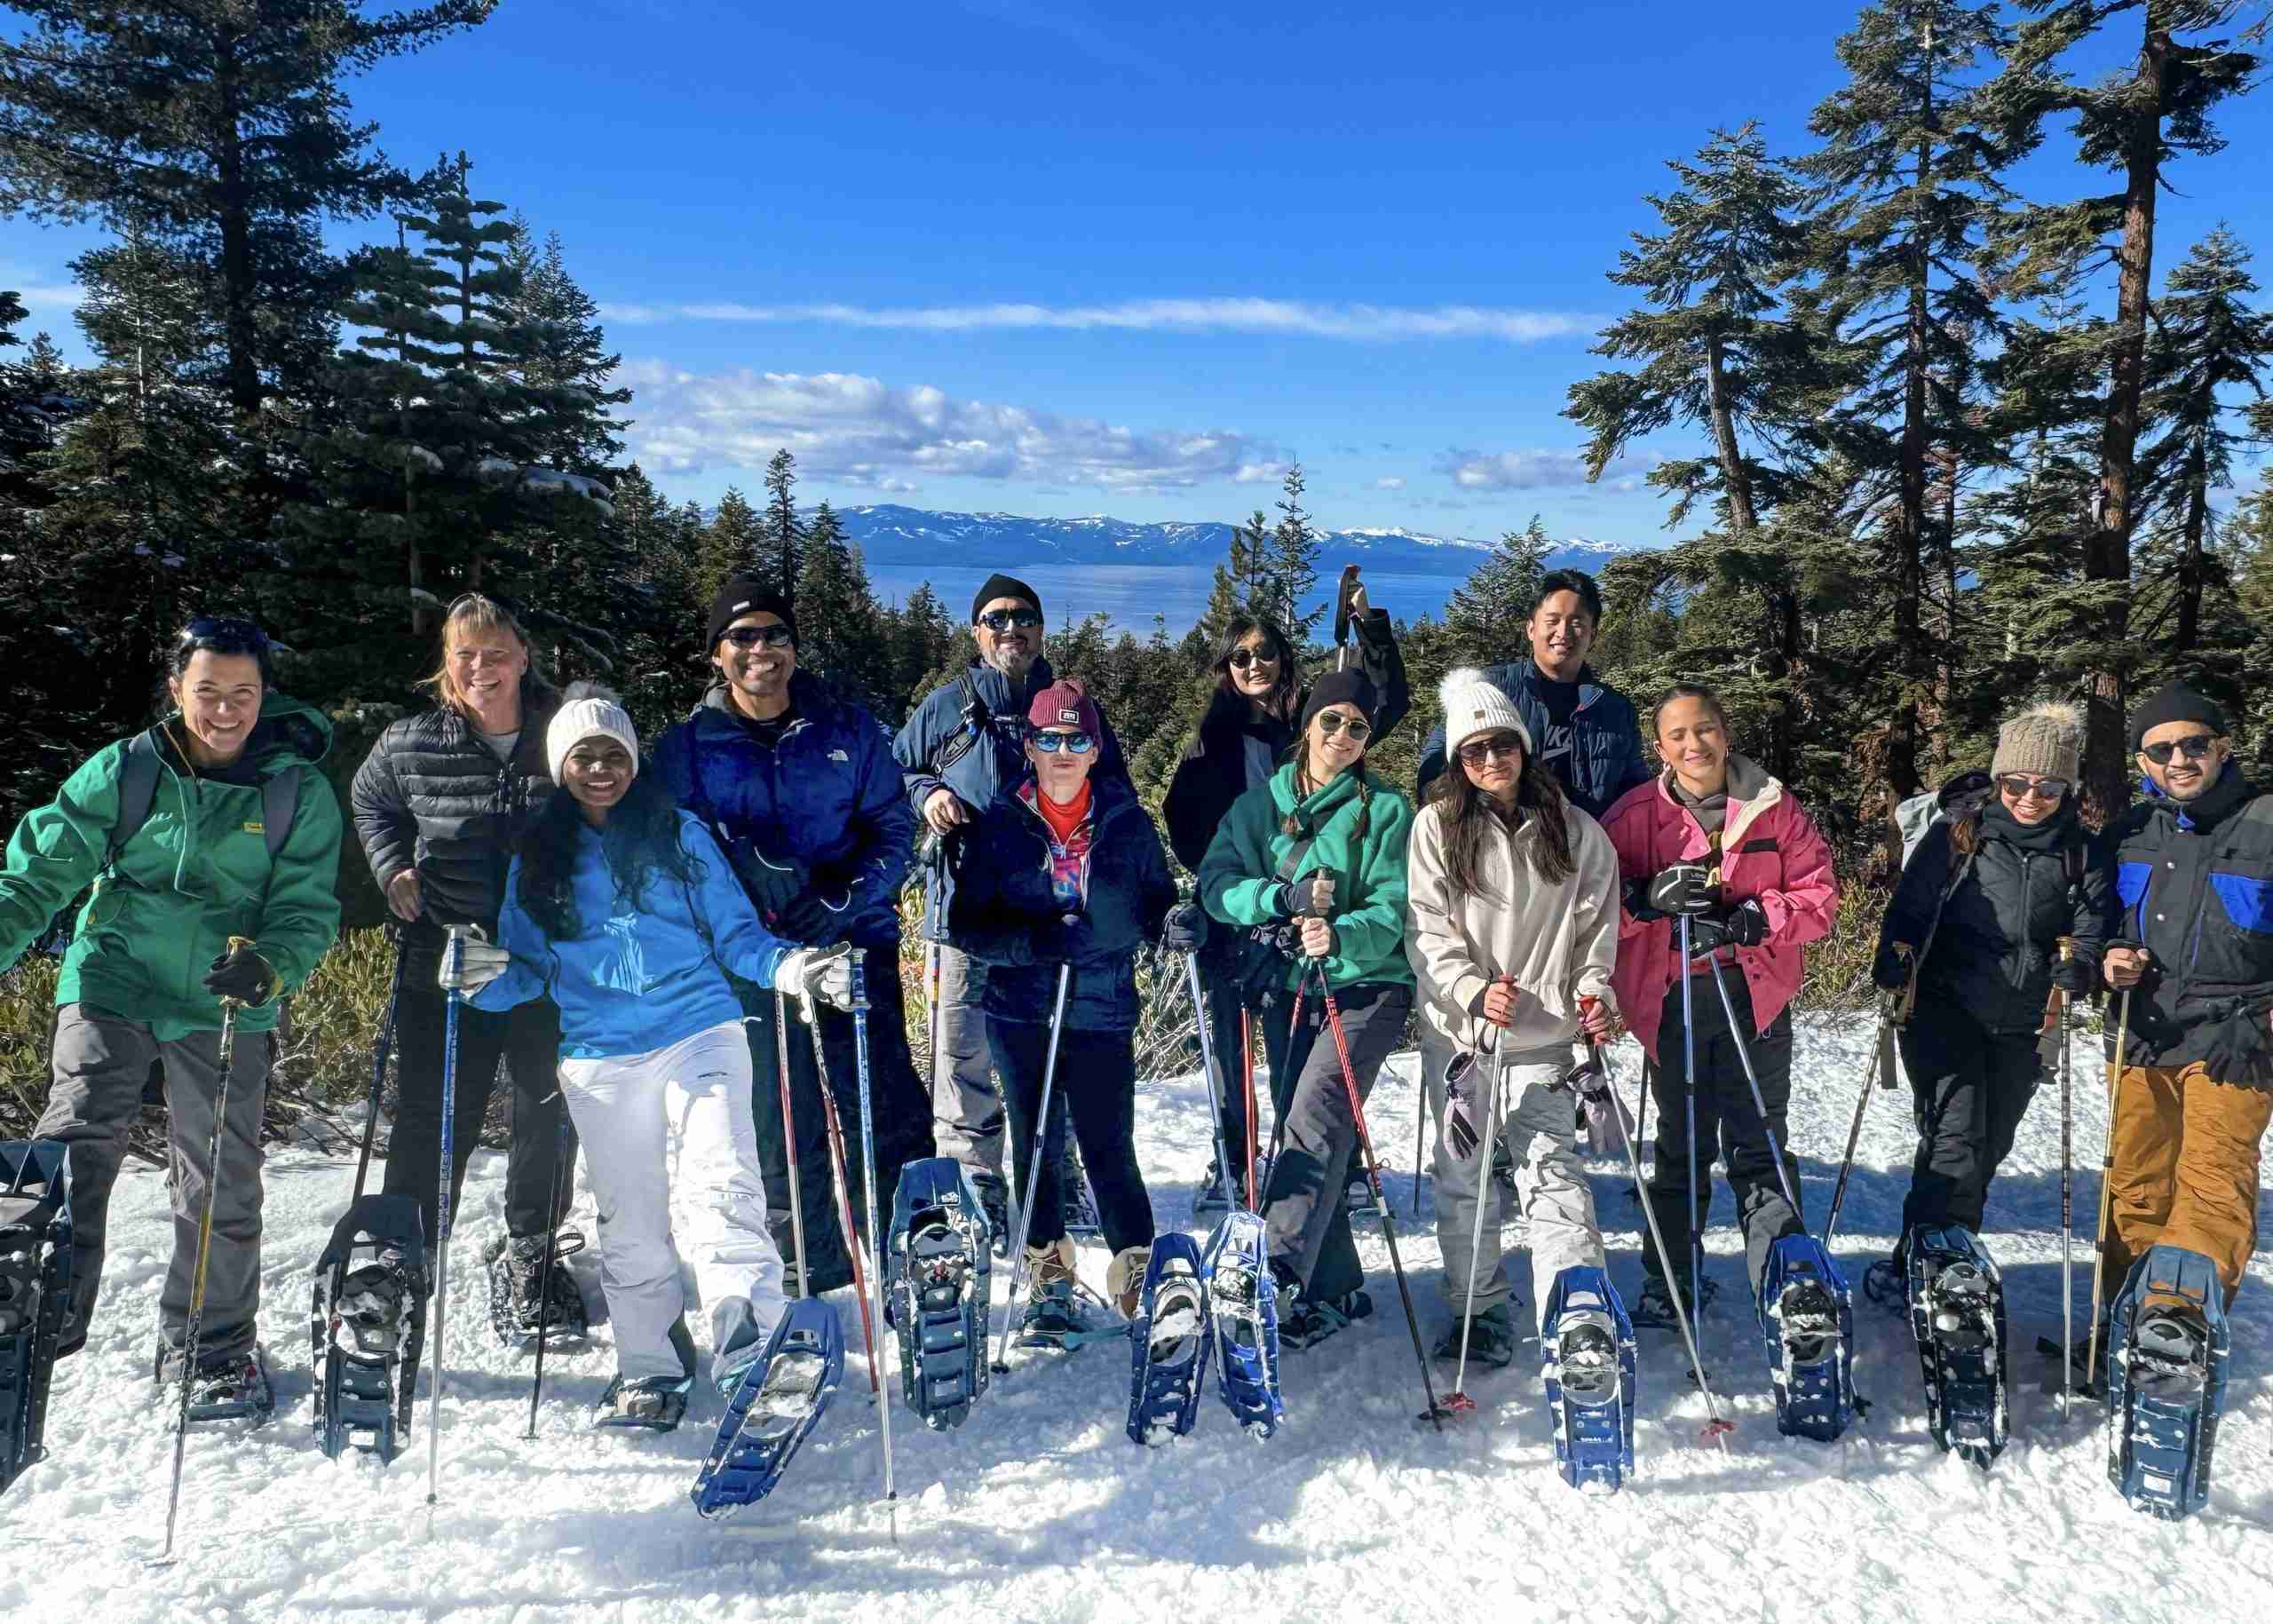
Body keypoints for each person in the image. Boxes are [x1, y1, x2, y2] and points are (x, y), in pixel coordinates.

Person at [444, 685, 856, 1430]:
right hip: (600, 1052)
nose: (599, 768)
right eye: (582, 756)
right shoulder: (538, 857)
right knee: (629, 1219)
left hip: (700, 1030)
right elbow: (529, 971)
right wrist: (480, 979)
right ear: (560, 766)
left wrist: (795, 968)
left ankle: (752, 1344)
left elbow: (737, 937)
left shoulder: (679, 832)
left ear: (632, 761)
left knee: (723, 1184)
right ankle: (650, 1366)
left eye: (613, 753)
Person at [0, 616, 342, 1414]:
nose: (226, 709)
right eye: (208, 691)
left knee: (220, 1170)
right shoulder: (129, 769)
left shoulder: (297, 790)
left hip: (227, 994)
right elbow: (37, 869)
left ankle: (211, 1343)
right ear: (176, 688)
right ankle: (40, 1314)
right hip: (114, 976)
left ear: (265, 695)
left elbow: (305, 907)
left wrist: (270, 965)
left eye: (243, 693)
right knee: (76, 1135)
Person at [655, 577, 932, 1296]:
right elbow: (667, 853)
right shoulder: (687, 749)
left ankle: (911, 1254)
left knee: (882, 1100)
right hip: (755, 960)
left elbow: (895, 828)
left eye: (775, 634)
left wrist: (843, 895)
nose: (760, 650)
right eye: (742, 637)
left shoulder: (846, 729)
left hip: (853, 943)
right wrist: (738, 903)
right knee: (783, 1115)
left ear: (795, 646)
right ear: (717, 653)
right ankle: (817, 1271)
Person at [351, 592, 582, 1338]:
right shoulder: (410, 742)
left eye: (494, 651)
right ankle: (399, 1259)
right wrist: (393, 870)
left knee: (546, 1110)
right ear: (446, 665)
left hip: (544, 956)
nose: (480, 666)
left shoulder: (562, 732)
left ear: (523, 654)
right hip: (449, 955)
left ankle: (532, 1251)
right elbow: (370, 801)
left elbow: (611, 800)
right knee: (432, 1113)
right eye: (464, 653)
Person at [1601, 683, 1836, 1327]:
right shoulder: (1632, 815)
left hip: (1753, 996)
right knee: (1682, 1145)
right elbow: (1593, 903)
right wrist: (1644, 897)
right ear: (1660, 747)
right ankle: (1669, 1279)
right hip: (1672, 997)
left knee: (1759, 1140)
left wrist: (1756, 919)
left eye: (1703, 729)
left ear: (1725, 733)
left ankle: (1785, 1280)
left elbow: (1819, 895)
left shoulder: (1771, 805)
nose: (1693, 744)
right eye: (1677, 735)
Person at [948, 677, 1175, 1345]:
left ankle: (1138, 1270)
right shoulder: (999, 824)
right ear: (1031, 745)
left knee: (1108, 1144)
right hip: (1022, 1007)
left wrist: (1175, 923)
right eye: (1050, 738)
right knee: (1036, 1140)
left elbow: (1155, 902)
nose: (1064, 750)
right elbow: (968, 925)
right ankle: (1047, 1272)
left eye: (1078, 738)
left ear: (1096, 747)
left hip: (1101, 1005)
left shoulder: (1128, 823)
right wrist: (1033, 941)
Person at [1162, 597, 1408, 1212]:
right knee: (1230, 1044)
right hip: (1244, 908)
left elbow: (1382, 700)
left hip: (1312, 916)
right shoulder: (1210, 738)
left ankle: (1332, 1163)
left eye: (1265, 651)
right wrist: (1244, 883)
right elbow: (1184, 818)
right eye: (1240, 655)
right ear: (1225, 664)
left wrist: (1372, 628)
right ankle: (1236, 1159)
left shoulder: (1313, 720)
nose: (1254, 664)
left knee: (1306, 1054)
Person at [1406, 669, 1620, 1367]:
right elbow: (1427, 929)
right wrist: (1471, 990)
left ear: (1525, 747)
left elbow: (1597, 930)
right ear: (1457, 762)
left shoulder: (1576, 830)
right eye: (1474, 751)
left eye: (1503, 745)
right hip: (1463, 1037)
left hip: (1548, 1033)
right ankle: (1479, 1306)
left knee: (1551, 1169)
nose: (1492, 760)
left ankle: (1577, 1304)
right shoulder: (1435, 828)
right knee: (1464, 1175)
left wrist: (1594, 993)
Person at [894, 573, 1119, 1238]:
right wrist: (926, 793)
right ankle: (976, 1179)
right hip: (962, 912)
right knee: (962, 1049)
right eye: (996, 618)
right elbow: (899, 768)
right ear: (975, 631)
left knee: (1050, 1043)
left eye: (1023, 617)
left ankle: (1056, 1174)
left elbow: (1113, 787)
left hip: (1048, 912)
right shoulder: (947, 706)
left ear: (1041, 629)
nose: (1010, 629)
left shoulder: (1072, 705)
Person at [1199, 669, 1414, 1348]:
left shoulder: (1386, 811)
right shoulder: (1260, 807)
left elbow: (1397, 906)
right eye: (1332, 721)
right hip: (1291, 987)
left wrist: (1341, 932)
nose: (1343, 736)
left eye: (1357, 726)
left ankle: (1277, 1273)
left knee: (1314, 1119)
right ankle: (1337, 1286)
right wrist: (1273, 900)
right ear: (1308, 725)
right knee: (1316, 1132)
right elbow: (1215, 883)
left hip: (1368, 986)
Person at [1868, 703, 2107, 1298]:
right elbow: (1910, 909)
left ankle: (1932, 1257)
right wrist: (1893, 954)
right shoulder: (1959, 836)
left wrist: (2078, 964)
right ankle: (1933, 1271)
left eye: (2048, 786)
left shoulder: (2082, 853)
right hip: (1944, 1008)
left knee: (1987, 1146)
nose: (2030, 796)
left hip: (2024, 1022)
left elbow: (2094, 925)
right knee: (1957, 1138)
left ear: (2067, 788)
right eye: (2016, 782)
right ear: (1999, 779)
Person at [2095, 681, 2273, 1349]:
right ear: (2143, 761)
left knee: (2212, 1186)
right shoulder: (2132, 832)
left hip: (2237, 1036)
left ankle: (2176, 1327)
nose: (2179, 758)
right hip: (2144, 1033)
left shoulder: (2266, 822)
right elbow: (2100, 921)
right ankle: (2125, 1317)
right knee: (2135, 1186)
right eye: (2161, 748)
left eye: (2194, 743)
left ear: (2222, 747)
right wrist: (2110, 955)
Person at [1414, 569, 1650, 819]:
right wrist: (1453, 822)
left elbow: (1633, 794)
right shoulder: (1491, 690)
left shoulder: (1615, 709)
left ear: (1593, 634)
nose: (1563, 632)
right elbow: (1438, 759)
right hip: (1500, 843)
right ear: (1530, 629)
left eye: (1577, 622)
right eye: (1552, 621)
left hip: (1587, 848)